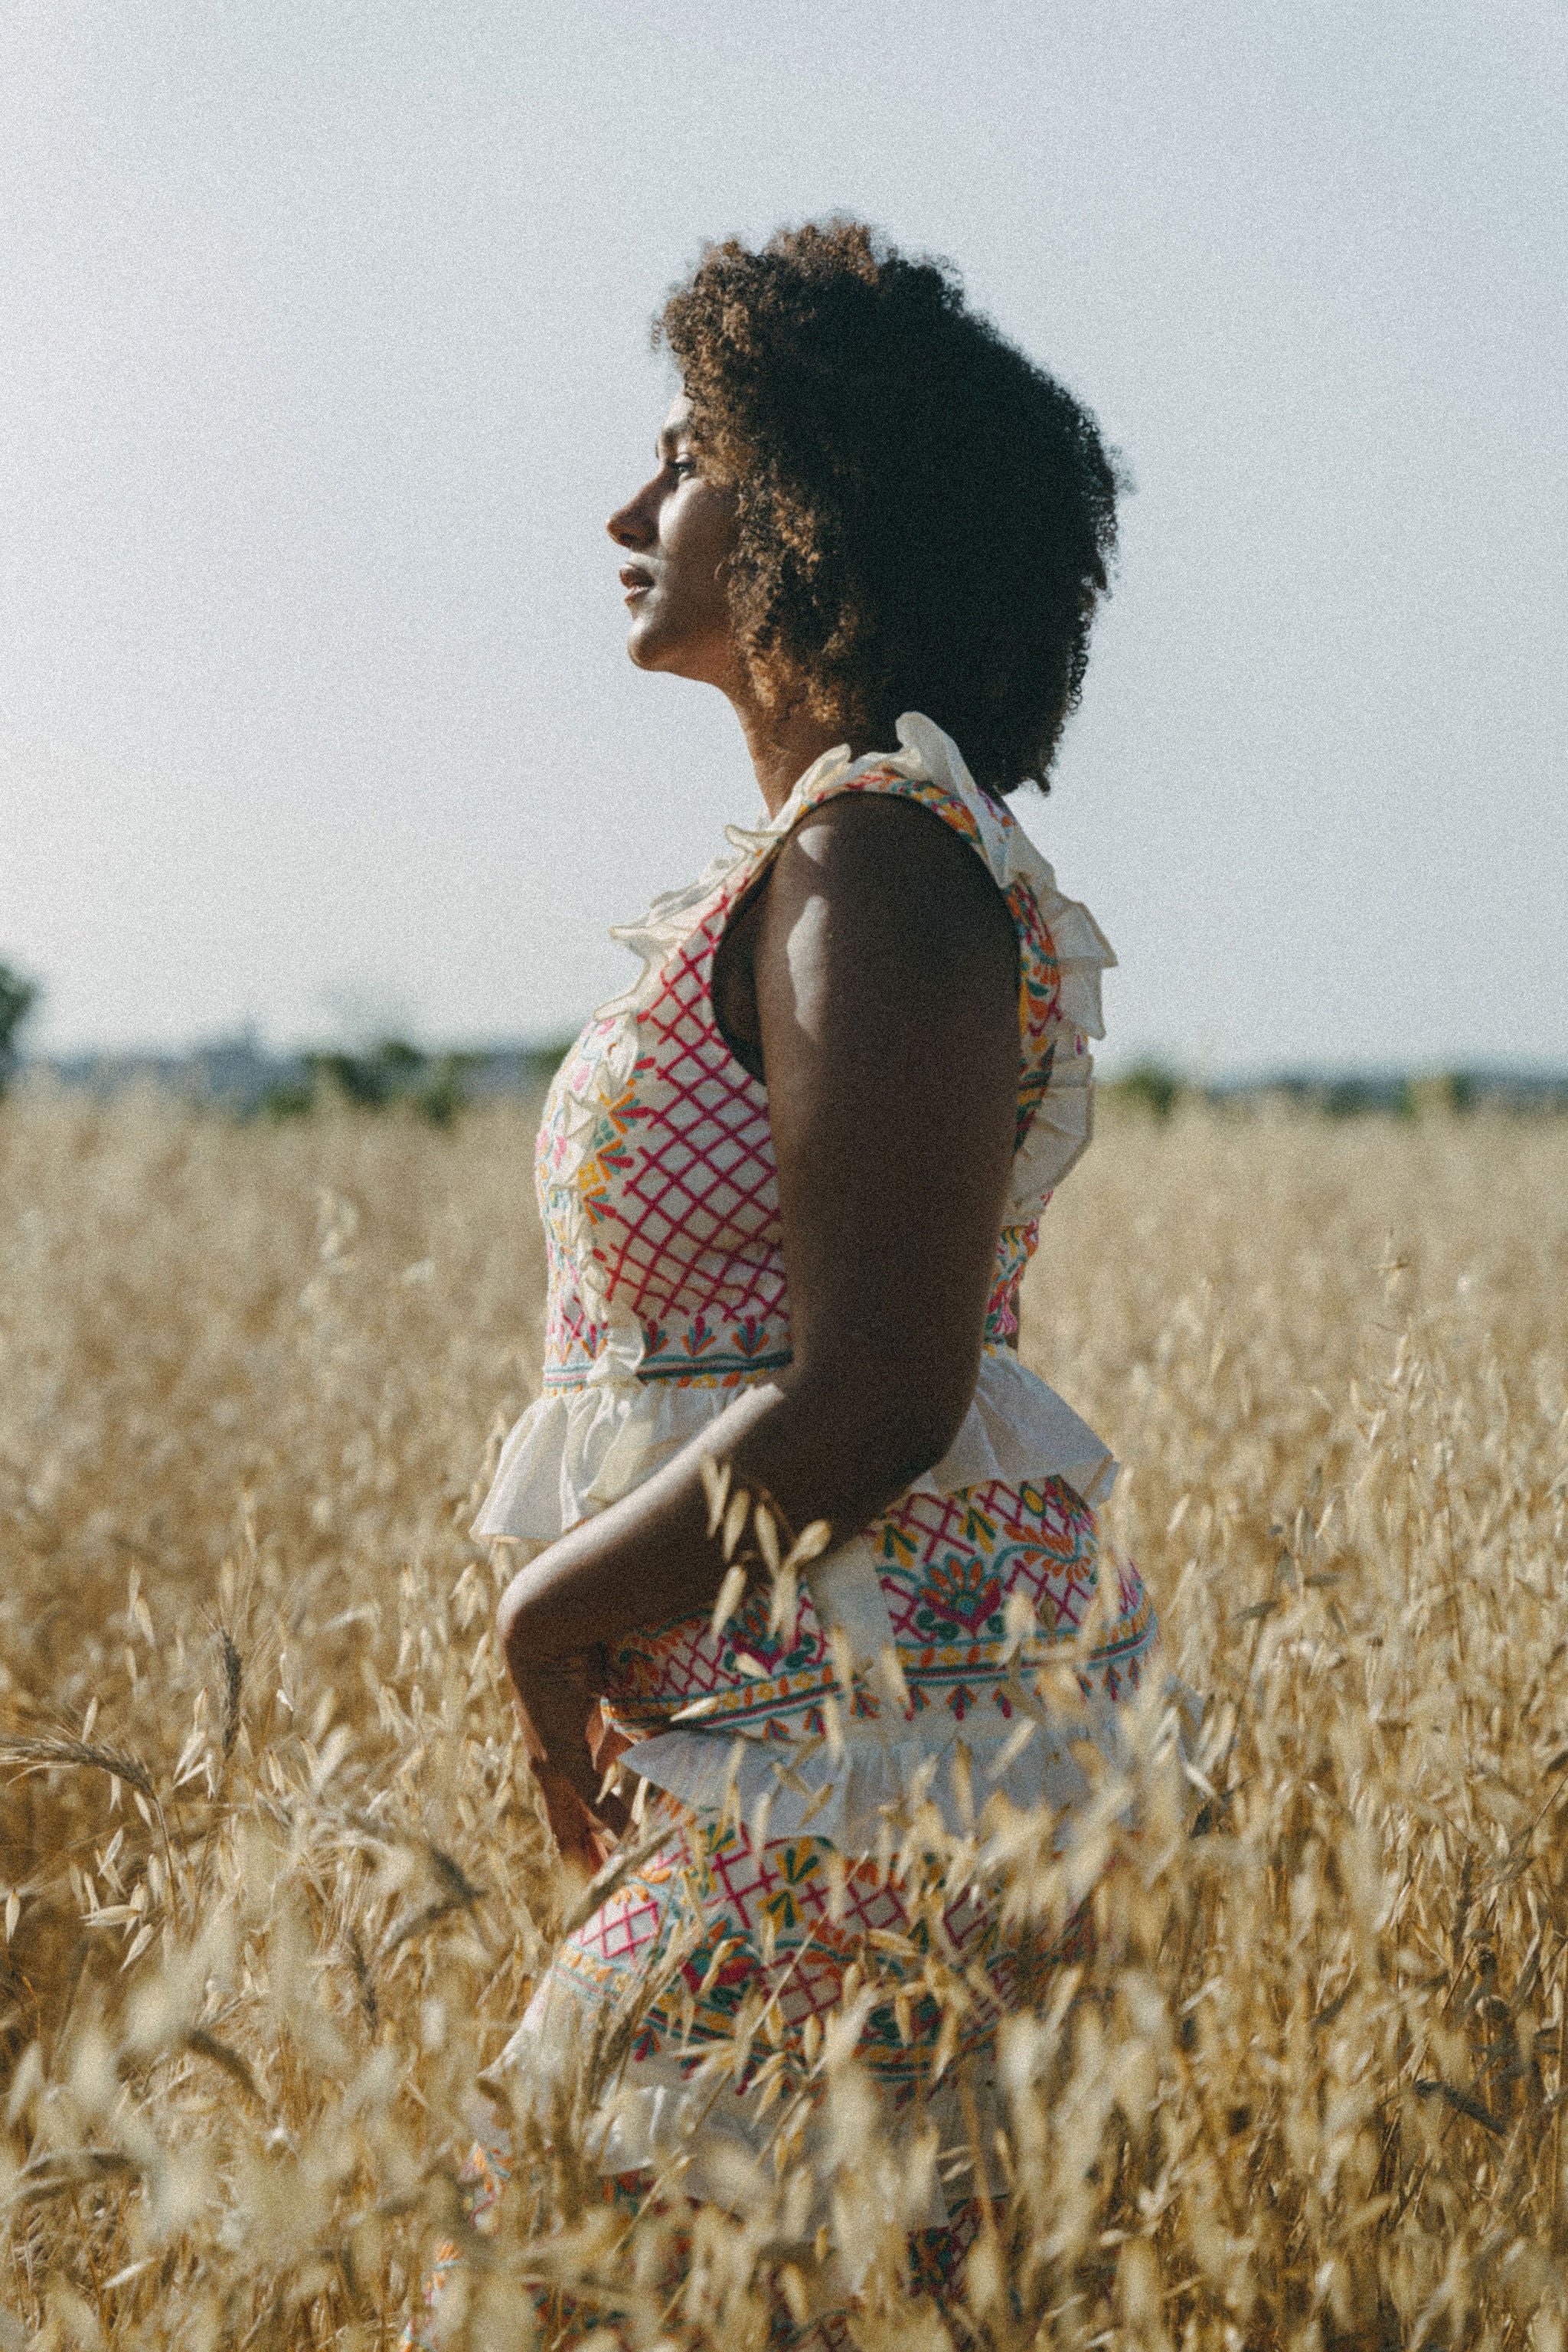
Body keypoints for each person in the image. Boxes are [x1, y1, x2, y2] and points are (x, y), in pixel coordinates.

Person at [409, 218, 1157, 2349]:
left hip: (872, 1776)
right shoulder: (847, 858)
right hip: (819, 1747)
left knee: (547, 2276)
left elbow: (883, 1387)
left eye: (685, 458)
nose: (631, 513)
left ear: (815, 511)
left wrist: (556, 1612)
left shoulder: (876, 863)